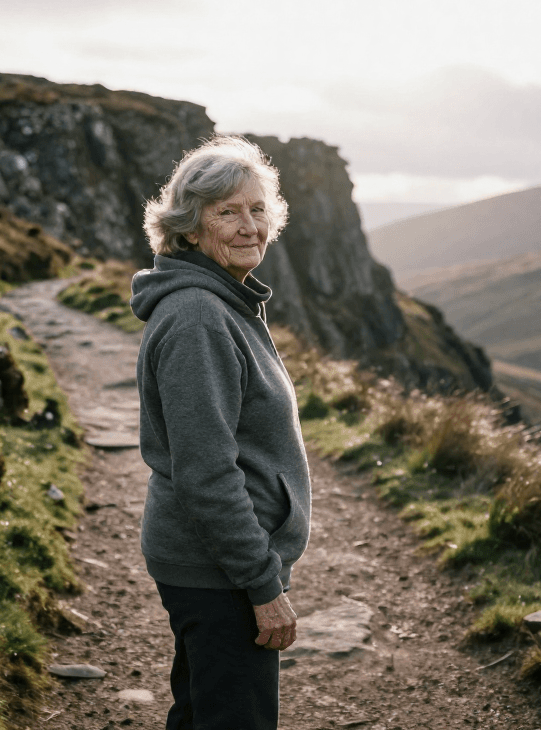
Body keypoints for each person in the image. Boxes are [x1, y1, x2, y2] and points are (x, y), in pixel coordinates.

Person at [130, 135, 312, 730]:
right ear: (188, 229)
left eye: (257, 209)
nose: (248, 226)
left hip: (217, 565)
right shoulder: (200, 318)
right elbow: (207, 473)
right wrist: (262, 586)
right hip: (219, 572)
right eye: (226, 211)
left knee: (203, 713)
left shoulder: (222, 303)